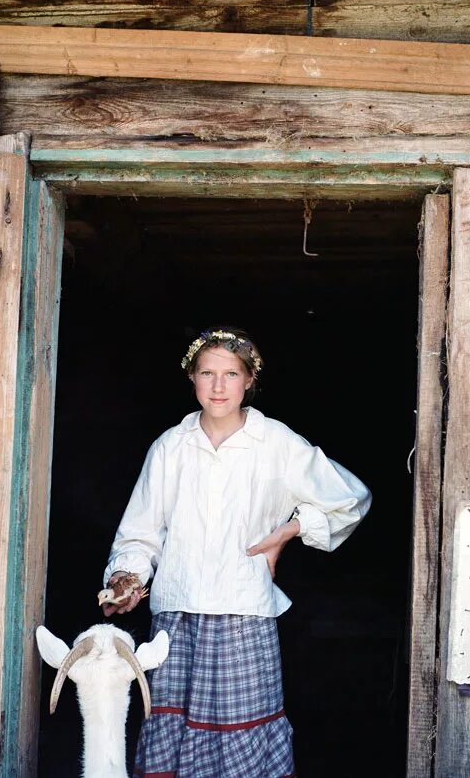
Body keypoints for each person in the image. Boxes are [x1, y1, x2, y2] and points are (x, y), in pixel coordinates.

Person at [102, 326, 372, 777]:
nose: (219, 385)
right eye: (207, 373)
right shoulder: (171, 447)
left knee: (242, 740)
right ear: (192, 378)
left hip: (244, 615)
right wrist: (126, 579)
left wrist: (290, 530)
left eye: (231, 373)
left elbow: (350, 497)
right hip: (176, 617)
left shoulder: (275, 443)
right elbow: (140, 534)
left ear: (250, 380)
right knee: (174, 735)